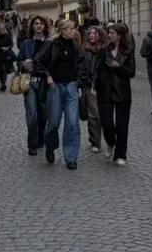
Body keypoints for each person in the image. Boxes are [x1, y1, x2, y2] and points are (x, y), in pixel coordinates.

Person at [35, 19, 87, 169]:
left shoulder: (75, 47)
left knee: (72, 123)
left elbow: (83, 65)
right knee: (54, 123)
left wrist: (78, 82)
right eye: (70, 29)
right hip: (55, 87)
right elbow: (38, 61)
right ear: (63, 30)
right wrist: (47, 76)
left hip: (70, 86)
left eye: (74, 28)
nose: (74, 31)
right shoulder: (51, 44)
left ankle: (71, 157)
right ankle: (50, 147)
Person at [93, 23, 135, 166]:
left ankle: (120, 154)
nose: (109, 35)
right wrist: (95, 86)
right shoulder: (104, 50)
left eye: (111, 33)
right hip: (105, 90)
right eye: (109, 33)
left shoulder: (127, 51)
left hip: (122, 91)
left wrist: (120, 67)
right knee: (107, 123)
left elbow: (132, 72)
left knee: (122, 125)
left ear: (119, 36)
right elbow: (98, 69)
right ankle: (111, 142)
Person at [17, 15, 50, 155]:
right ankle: (32, 143)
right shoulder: (26, 43)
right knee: (31, 114)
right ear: (32, 27)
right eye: (36, 24)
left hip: (45, 84)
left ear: (45, 27)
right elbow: (18, 60)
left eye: (41, 24)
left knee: (42, 115)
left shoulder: (49, 43)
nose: (38, 26)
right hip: (29, 82)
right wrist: (22, 64)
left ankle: (41, 137)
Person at [82, 25, 106, 153]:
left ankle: (104, 138)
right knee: (93, 114)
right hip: (87, 85)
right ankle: (95, 141)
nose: (92, 35)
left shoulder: (104, 50)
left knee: (101, 114)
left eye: (95, 33)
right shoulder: (84, 50)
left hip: (101, 86)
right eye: (90, 33)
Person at [0, 21, 15, 91]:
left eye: (2, 29)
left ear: (4, 29)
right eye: (0, 29)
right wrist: (0, 48)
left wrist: (7, 48)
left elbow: (11, 44)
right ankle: (2, 83)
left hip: (6, 55)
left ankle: (3, 84)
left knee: (4, 69)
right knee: (0, 70)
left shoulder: (7, 36)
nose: (1, 30)